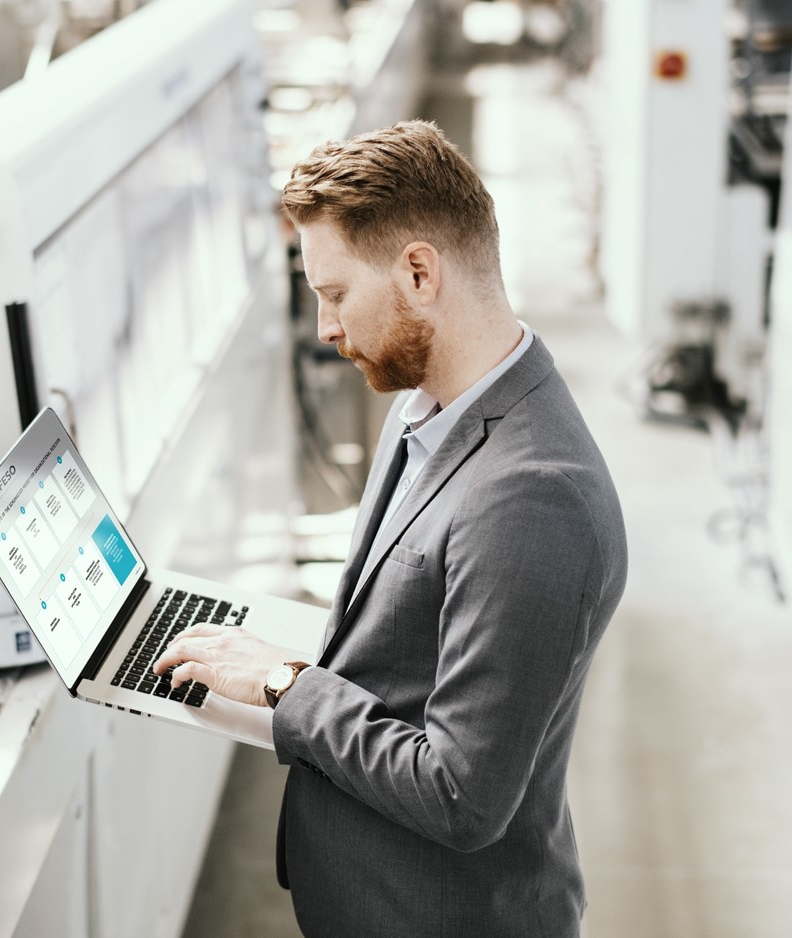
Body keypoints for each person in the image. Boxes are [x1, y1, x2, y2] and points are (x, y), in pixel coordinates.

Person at [153, 120, 627, 936]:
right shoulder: (428, 412)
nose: (325, 329)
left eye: (335, 295)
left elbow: (462, 794)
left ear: (417, 273)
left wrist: (283, 686)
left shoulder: (531, 498)